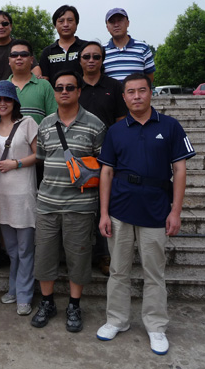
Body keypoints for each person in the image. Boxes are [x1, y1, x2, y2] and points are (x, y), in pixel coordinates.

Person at [96, 73, 195, 355]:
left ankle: (155, 326)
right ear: (124, 97)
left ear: (151, 93)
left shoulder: (170, 126)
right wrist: (104, 213)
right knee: (118, 270)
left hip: (156, 209)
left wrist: (176, 211)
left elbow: (180, 170)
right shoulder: (116, 131)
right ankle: (117, 320)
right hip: (120, 208)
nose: (137, 96)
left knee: (154, 272)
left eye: (142, 90)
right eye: (131, 92)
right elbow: (106, 172)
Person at [31, 70, 106, 333]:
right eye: (59, 87)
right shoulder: (45, 124)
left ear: (79, 91)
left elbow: (104, 167)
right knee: (44, 257)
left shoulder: (95, 125)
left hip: (80, 205)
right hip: (47, 204)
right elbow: (41, 159)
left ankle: (74, 305)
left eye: (70, 87)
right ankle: (47, 302)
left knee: (79, 258)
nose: (64, 91)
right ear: (54, 92)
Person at [0, 80, 38, 317]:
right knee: (13, 250)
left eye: (7, 99)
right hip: (0, 195)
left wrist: (16, 163)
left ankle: (24, 295)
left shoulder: (27, 123)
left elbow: (40, 154)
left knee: (25, 249)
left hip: (23, 195)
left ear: (14, 101)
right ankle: (14, 288)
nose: (2, 103)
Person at [77, 40, 127, 276]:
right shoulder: (73, 86)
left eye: (96, 56)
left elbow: (121, 122)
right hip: (77, 155)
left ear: (102, 60)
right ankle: (78, 254)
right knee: (79, 207)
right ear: (80, 60)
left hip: (106, 155)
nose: (91, 60)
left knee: (104, 205)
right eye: (86, 56)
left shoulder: (114, 86)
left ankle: (104, 255)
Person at [7, 38, 57, 126]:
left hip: (40, 135)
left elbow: (54, 117)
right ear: (9, 60)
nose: (19, 57)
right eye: (14, 55)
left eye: (24, 54)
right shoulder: (3, 87)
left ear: (31, 59)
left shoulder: (44, 85)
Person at [102, 8, 156, 83]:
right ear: (107, 27)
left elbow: (149, 78)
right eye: (112, 22)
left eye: (120, 20)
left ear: (127, 23)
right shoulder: (101, 52)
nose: (116, 25)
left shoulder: (143, 48)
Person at [39, 5, 86, 82]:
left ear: (76, 23)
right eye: (61, 21)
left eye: (70, 20)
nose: (66, 24)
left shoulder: (86, 48)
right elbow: (45, 79)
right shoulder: (47, 52)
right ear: (55, 25)